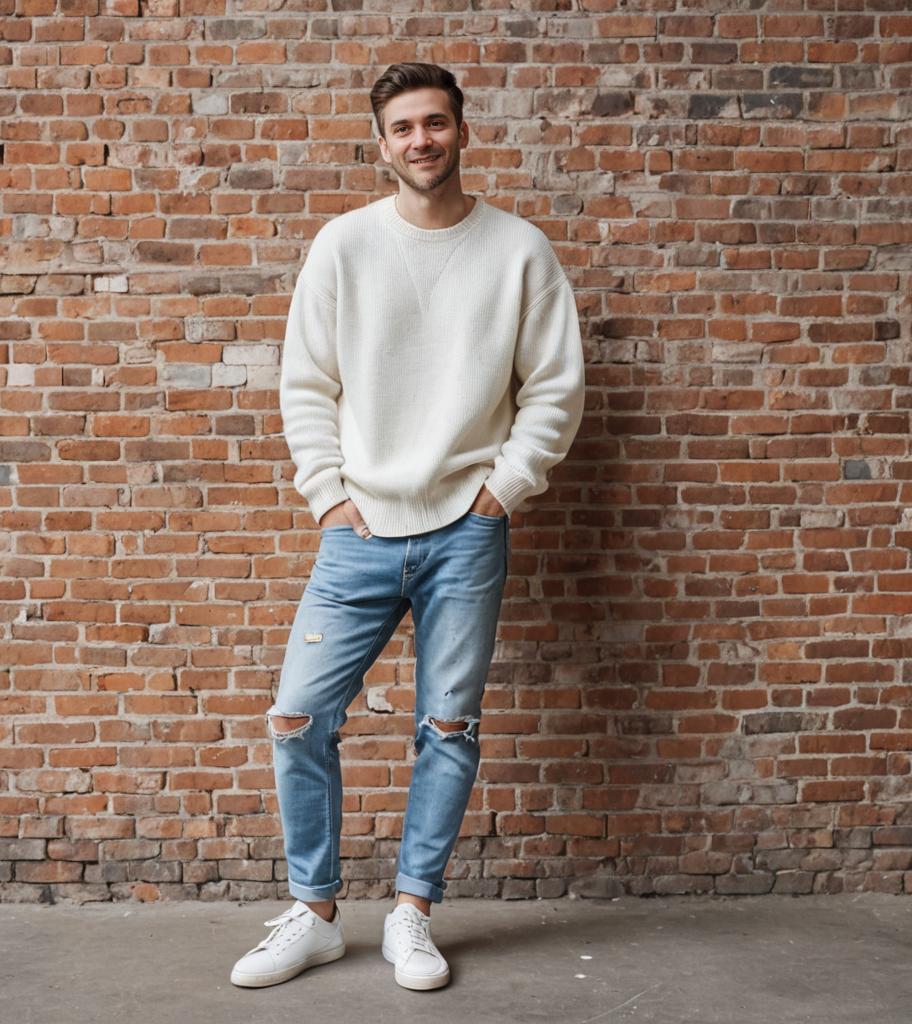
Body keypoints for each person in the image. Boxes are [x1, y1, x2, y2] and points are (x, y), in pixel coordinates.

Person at [231, 61, 585, 991]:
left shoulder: (518, 251)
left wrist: (503, 489)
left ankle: (412, 913)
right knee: (297, 716)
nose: (420, 140)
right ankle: (311, 915)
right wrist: (329, 497)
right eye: (402, 127)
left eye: (435, 122)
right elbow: (306, 383)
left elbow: (553, 388)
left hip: (469, 526)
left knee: (449, 726)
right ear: (380, 144)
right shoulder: (344, 245)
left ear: (463, 131)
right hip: (358, 527)